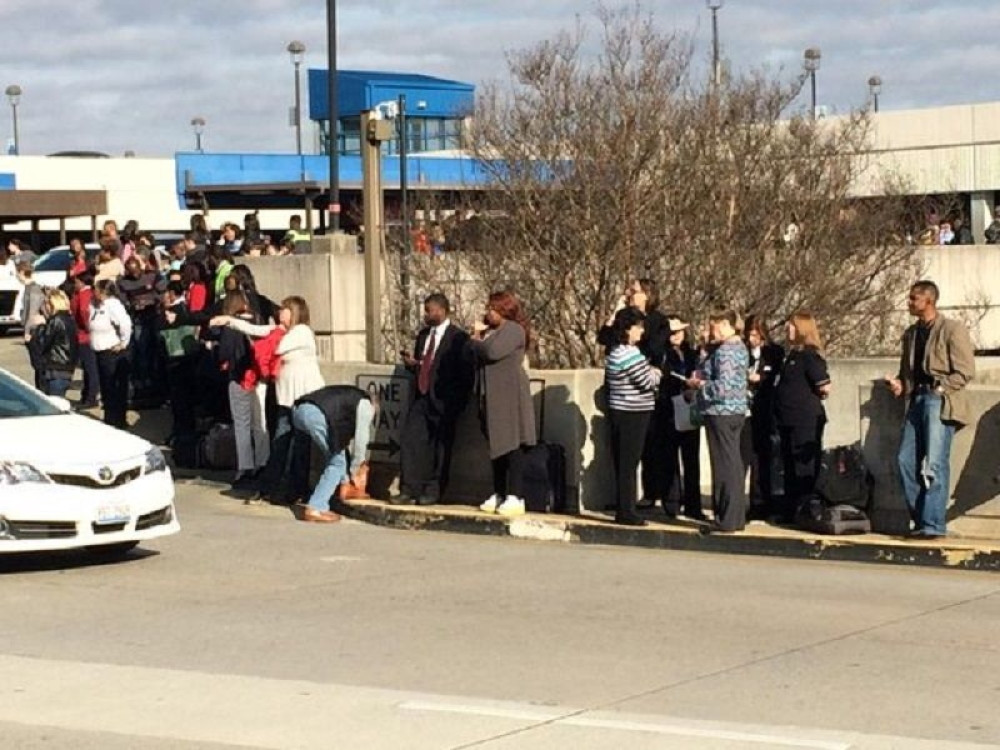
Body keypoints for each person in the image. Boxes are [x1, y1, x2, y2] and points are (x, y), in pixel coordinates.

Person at [211, 296, 326, 505]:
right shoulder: (280, 331)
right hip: (286, 398)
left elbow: (277, 347)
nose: (280, 313)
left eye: (285, 309)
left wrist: (271, 334)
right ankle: (270, 486)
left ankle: (297, 489)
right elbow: (255, 329)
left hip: (304, 397)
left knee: (301, 445)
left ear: (295, 313)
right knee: (280, 442)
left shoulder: (301, 332)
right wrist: (229, 320)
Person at [885, 281, 975, 539]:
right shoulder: (911, 334)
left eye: (914, 298)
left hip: (939, 400)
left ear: (929, 301)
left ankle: (933, 525)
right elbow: (907, 372)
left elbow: (966, 370)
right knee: (904, 460)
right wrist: (899, 384)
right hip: (915, 400)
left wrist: (941, 388)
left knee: (934, 463)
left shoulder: (952, 329)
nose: (909, 303)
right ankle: (922, 519)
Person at [395, 293, 473, 506]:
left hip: (445, 400)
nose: (426, 315)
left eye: (429, 311)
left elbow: (465, 373)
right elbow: (426, 364)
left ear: (441, 310)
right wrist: (413, 365)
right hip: (422, 396)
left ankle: (433, 490)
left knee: (441, 447)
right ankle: (409, 488)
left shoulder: (458, 338)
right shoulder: (423, 336)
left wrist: (457, 402)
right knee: (412, 440)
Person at [598, 278, 668, 508]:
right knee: (625, 456)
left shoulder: (658, 321)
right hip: (627, 399)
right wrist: (617, 312)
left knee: (645, 450)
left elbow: (655, 348)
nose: (630, 294)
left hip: (644, 398)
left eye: (635, 291)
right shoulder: (624, 347)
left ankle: (648, 494)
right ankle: (625, 504)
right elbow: (604, 337)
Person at [469, 291, 536, 517]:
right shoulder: (492, 332)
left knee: (512, 444)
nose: (489, 313)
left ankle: (515, 495)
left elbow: (492, 351)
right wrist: (478, 338)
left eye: (493, 309)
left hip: (509, 395)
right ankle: (498, 492)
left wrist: (476, 341)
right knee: (497, 446)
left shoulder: (513, 330)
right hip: (491, 395)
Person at [687, 310, 749, 533]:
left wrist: (700, 386)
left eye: (713, 327)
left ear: (724, 324)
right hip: (737, 410)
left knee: (724, 465)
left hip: (721, 411)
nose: (712, 332)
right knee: (733, 462)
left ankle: (727, 518)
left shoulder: (725, 352)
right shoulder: (740, 348)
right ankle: (735, 516)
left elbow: (723, 386)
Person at [605, 307, 662, 526]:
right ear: (628, 329)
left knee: (623, 463)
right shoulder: (630, 354)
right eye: (638, 327)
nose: (641, 331)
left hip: (620, 410)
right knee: (629, 463)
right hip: (633, 412)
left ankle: (625, 507)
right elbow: (647, 381)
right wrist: (656, 372)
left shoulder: (614, 352)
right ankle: (627, 511)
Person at [773, 312, 831, 525]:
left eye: (791, 326)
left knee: (804, 467)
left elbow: (824, 386)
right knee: (788, 466)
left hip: (804, 419)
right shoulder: (792, 355)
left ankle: (807, 510)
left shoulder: (810, 356)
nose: (787, 329)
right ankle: (790, 510)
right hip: (786, 418)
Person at [290, 385, 376, 523]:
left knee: (337, 454)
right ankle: (316, 507)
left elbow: (341, 444)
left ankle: (344, 488)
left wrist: (346, 479)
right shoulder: (366, 404)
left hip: (299, 410)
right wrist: (356, 470)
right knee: (337, 463)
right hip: (315, 416)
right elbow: (361, 441)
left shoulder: (347, 398)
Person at [216, 290, 269, 488]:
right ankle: (263, 461)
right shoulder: (258, 321)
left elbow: (224, 353)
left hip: (238, 378)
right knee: (260, 422)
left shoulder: (231, 326)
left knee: (242, 424)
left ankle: (245, 467)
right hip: (259, 377)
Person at [660, 316, 704, 521]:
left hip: (690, 405)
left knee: (691, 458)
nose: (676, 336)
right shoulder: (663, 354)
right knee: (669, 456)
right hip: (669, 407)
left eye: (679, 331)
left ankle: (693, 505)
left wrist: (694, 383)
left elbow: (700, 371)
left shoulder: (691, 353)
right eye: (672, 332)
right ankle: (672, 502)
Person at [741, 315, 785, 519]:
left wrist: (761, 377)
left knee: (763, 457)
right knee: (746, 455)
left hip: (764, 409)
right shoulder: (742, 351)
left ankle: (761, 502)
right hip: (745, 409)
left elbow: (775, 374)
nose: (752, 339)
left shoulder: (774, 352)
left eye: (756, 335)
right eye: (750, 335)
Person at [158, 281, 201, 439]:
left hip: (175, 357)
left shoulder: (172, 312)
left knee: (179, 399)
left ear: (171, 293)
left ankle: (181, 434)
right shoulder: (188, 308)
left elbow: (160, 331)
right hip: (189, 355)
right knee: (188, 398)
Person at [89, 280, 132, 428]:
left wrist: (123, 342)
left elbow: (125, 324)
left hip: (112, 352)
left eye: (96, 289)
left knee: (114, 387)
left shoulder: (113, 305)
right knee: (106, 388)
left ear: (103, 291)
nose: (93, 292)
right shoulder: (95, 305)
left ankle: (117, 419)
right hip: (99, 352)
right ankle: (109, 417)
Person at [29, 289, 79, 397]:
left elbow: (42, 344)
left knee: (53, 401)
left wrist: (39, 327)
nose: (44, 308)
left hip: (55, 369)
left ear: (52, 304)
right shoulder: (69, 319)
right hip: (66, 368)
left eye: (46, 304)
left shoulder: (56, 321)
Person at [70, 269, 100, 408]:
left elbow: (83, 311)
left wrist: (88, 327)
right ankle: (87, 395)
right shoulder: (86, 294)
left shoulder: (84, 294)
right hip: (85, 335)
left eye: (77, 282)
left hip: (84, 336)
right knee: (88, 368)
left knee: (90, 368)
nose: (75, 284)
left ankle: (90, 396)